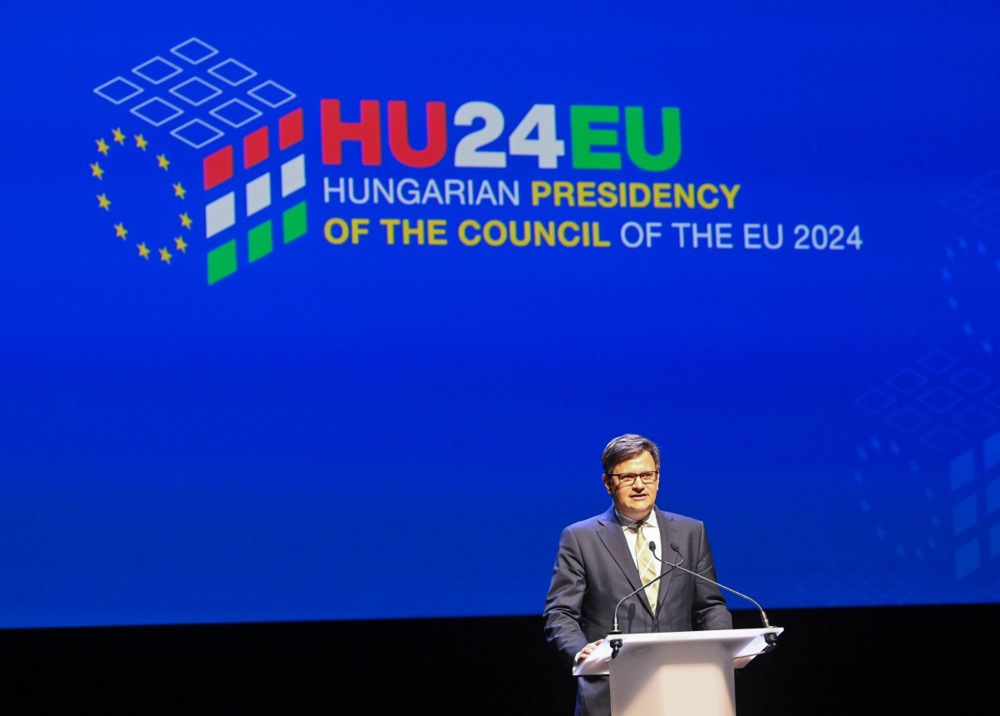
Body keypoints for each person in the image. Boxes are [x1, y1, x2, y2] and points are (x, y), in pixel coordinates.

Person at [543, 433, 732, 716]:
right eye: (628, 478)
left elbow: (710, 605)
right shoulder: (581, 538)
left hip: (684, 685)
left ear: (658, 477)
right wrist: (581, 651)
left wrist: (719, 649)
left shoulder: (691, 532)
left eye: (647, 475)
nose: (640, 486)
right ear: (608, 483)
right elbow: (560, 613)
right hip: (611, 688)